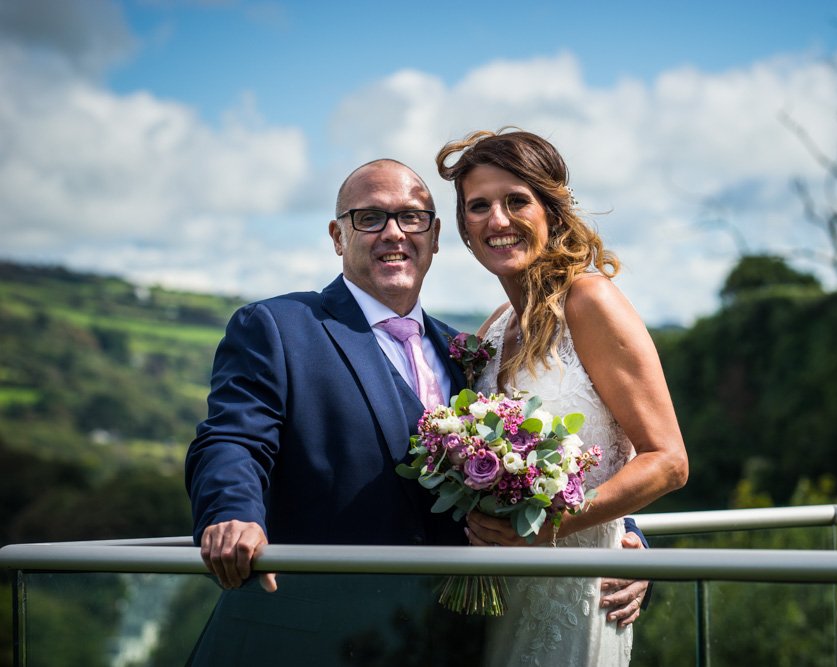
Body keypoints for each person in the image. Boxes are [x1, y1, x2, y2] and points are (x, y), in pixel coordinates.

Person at [184, 158, 650, 664]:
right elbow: (233, 439)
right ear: (338, 236)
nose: (393, 233)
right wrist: (232, 514)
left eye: (412, 218)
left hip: (443, 642)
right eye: (369, 218)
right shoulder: (277, 326)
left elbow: (550, 453)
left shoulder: (467, 352)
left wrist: (623, 536)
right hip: (304, 635)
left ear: (435, 236)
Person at [436, 129, 689, 667]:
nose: (497, 220)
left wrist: (550, 529)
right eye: (478, 206)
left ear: (551, 209)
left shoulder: (590, 300)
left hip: (578, 592)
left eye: (516, 201)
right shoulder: (492, 330)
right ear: (463, 228)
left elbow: (668, 462)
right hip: (501, 598)